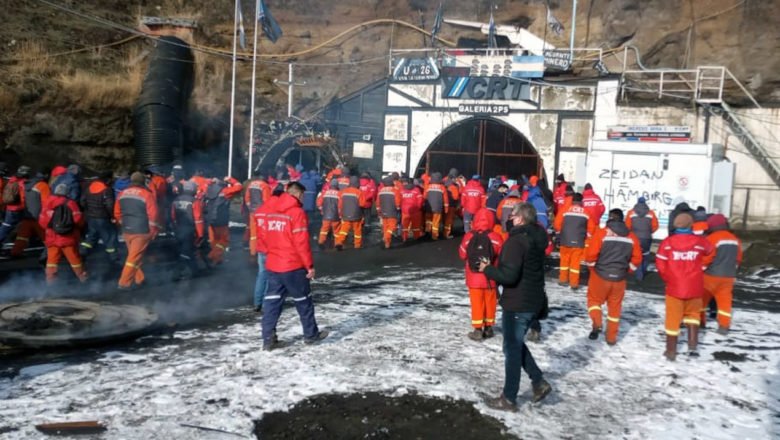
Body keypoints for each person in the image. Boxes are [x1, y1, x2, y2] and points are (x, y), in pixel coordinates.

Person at [479, 203, 552, 409]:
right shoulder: (536, 239)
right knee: (515, 343)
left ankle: (509, 397)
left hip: (519, 301)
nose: (509, 218)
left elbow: (508, 276)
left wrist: (488, 269)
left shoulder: (516, 242)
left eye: (511, 215)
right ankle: (538, 382)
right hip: (532, 299)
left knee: (511, 348)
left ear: (519, 219)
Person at [259, 182, 327, 350]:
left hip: (274, 265)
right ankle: (311, 335)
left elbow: (265, 236)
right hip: (293, 266)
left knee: (272, 303)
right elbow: (301, 243)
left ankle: (268, 339)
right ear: (297, 195)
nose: (303, 199)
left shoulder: (271, 212)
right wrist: (309, 266)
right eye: (303, 196)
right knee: (304, 302)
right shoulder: (297, 213)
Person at [655, 213, 713, 360]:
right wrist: (702, 265)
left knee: (673, 319)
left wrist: (669, 278)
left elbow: (660, 265)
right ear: (690, 225)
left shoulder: (667, 243)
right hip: (695, 286)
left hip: (674, 288)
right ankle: (692, 345)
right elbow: (711, 251)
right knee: (693, 315)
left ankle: (671, 351)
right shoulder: (700, 242)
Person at [584, 209, 642, 345]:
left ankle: (597, 323)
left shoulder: (602, 233)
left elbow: (591, 255)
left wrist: (593, 268)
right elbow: (637, 258)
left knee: (594, 301)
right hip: (620, 277)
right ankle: (611, 338)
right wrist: (628, 270)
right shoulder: (631, 236)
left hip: (600, 275)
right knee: (615, 308)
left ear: (609, 219)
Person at [459, 208, 503, 340]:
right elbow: (502, 255)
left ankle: (478, 329)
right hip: (490, 276)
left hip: (473, 278)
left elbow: (462, 254)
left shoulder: (468, 237)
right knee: (490, 302)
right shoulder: (496, 237)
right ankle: (489, 328)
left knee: (477, 303)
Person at [114, 171, 159, 290]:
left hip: (127, 230)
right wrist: (153, 230)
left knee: (134, 255)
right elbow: (153, 215)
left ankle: (140, 279)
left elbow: (117, 212)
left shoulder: (122, 193)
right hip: (141, 230)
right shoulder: (146, 194)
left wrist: (122, 222)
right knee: (134, 257)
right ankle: (124, 282)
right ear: (143, 181)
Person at [701, 214, 742, 334]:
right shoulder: (735, 239)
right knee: (725, 301)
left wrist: (701, 268)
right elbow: (738, 258)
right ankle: (724, 326)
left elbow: (707, 257)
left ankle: (700, 322)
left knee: (702, 300)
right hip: (728, 276)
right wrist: (732, 269)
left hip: (711, 275)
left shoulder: (711, 239)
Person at [38, 184, 88, 285]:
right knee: (75, 260)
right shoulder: (71, 203)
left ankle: (51, 282)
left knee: (52, 261)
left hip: (52, 237)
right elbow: (78, 220)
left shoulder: (48, 202)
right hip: (68, 237)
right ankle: (84, 279)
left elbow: (42, 221)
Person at [554, 193, 596, 290]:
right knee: (575, 263)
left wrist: (561, 233)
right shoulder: (586, 212)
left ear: (572, 200)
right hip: (578, 241)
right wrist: (586, 236)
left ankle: (563, 280)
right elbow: (591, 228)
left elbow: (557, 223)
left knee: (564, 261)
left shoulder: (565, 210)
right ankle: (574, 283)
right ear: (581, 201)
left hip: (565, 240)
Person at [78, 171, 118, 263]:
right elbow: (110, 205)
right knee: (110, 236)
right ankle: (113, 257)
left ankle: (83, 250)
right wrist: (112, 216)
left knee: (92, 235)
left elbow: (82, 202)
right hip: (103, 217)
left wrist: (88, 211)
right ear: (107, 179)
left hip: (91, 217)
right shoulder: (107, 190)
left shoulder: (89, 188)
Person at [203, 176, 243, 265]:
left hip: (210, 219)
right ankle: (211, 256)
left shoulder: (207, 190)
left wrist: (210, 180)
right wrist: (230, 179)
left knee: (215, 240)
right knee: (224, 240)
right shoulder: (225, 191)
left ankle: (217, 259)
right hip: (221, 219)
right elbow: (239, 186)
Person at [10, 169, 50, 257]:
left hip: (27, 214)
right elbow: (46, 202)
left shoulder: (26, 184)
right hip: (39, 216)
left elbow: (23, 199)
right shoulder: (43, 185)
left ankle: (15, 251)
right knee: (45, 236)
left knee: (22, 235)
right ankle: (51, 252)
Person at [171, 180, 205, 280]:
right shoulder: (194, 201)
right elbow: (198, 219)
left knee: (188, 251)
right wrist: (200, 234)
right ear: (193, 189)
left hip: (179, 229)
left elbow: (173, 217)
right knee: (185, 253)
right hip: (189, 230)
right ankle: (176, 272)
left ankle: (195, 271)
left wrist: (176, 228)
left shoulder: (176, 200)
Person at [251, 190, 278, 312]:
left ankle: (257, 303)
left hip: (261, 247)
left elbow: (255, 230)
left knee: (261, 275)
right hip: (272, 248)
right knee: (271, 277)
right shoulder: (277, 211)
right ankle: (268, 304)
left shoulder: (259, 211)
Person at [625, 197, 659, 281]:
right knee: (646, 255)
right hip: (647, 237)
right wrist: (648, 232)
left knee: (636, 255)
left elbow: (627, 226)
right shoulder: (651, 213)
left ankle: (638, 275)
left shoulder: (631, 212)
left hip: (635, 238)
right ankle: (643, 271)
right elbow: (655, 226)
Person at [0, 166, 31, 249]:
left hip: (9, 206)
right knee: (9, 225)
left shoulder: (12, 179)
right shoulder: (23, 182)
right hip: (18, 207)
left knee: (7, 225)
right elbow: (23, 197)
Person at [377, 176, 401, 249]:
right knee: (392, 226)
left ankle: (387, 244)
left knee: (385, 227)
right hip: (392, 211)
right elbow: (398, 201)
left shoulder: (381, 191)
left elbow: (378, 203)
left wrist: (379, 212)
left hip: (383, 211)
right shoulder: (395, 190)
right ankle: (386, 237)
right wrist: (398, 207)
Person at [316, 177, 341, 248]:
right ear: (337, 185)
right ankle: (338, 244)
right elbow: (340, 206)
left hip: (326, 216)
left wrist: (322, 211)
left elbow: (318, 203)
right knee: (336, 231)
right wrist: (340, 215)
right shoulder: (339, 194)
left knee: (324, 230)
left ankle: (321, 242)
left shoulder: (324, 193)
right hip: (335, 216)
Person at [423, 172, 449, 240]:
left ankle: (427, 232)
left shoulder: (428, 186)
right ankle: (434, 236)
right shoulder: (442, 187)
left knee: (428, 220)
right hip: (438, 208)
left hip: (429, 207)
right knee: (436, 222)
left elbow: (424, 197)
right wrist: (446, 209)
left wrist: (424, 205)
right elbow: (445, 199)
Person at [400, 178, 423, 242]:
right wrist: (418, 208)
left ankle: (404, 238)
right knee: (416, 226)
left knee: (405, 226)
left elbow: (399, 200)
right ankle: (416, 237)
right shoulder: (417, 189)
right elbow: (420, 200)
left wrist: (402, 207)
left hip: (405, 211)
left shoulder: (402, 190)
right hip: (415, 211)